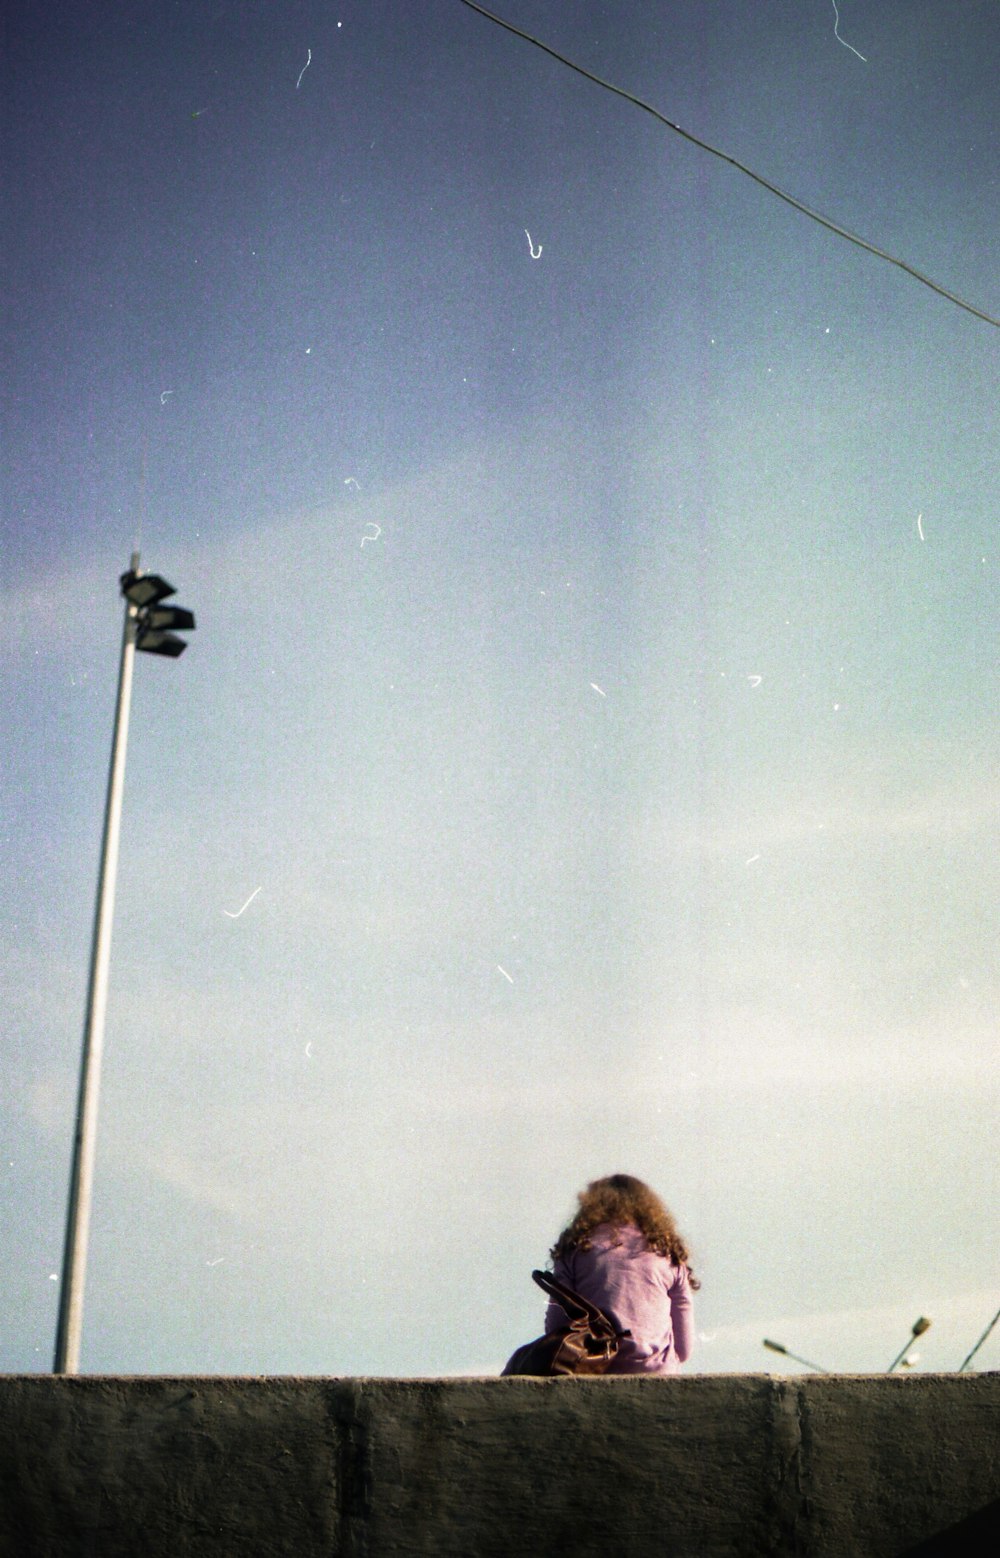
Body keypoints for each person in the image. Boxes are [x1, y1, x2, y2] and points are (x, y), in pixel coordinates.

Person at [544, 1173, 699, 1375]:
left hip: (592, 1368)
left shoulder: (576, 1248)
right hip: (657, 1372)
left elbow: (555, 1327)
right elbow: (684, 1349)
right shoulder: (667, 1253)